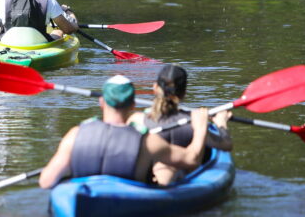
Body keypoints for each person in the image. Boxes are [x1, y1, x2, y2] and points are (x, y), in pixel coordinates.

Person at [39, 75, 210, 189]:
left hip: (84, 201)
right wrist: (201, 128)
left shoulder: (75, 134)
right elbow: (192, 159)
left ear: (101, 102)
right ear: (133, 105)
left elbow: (46, 182)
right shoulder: (147, 141)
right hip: (130, 204)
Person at [128, 64, 233, 185]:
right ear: (184, 93)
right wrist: (221, 124)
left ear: (155, 88)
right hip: (180, 181)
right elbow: (226, 145)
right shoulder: (195, 123)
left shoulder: (137, 120)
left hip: (145, 182)